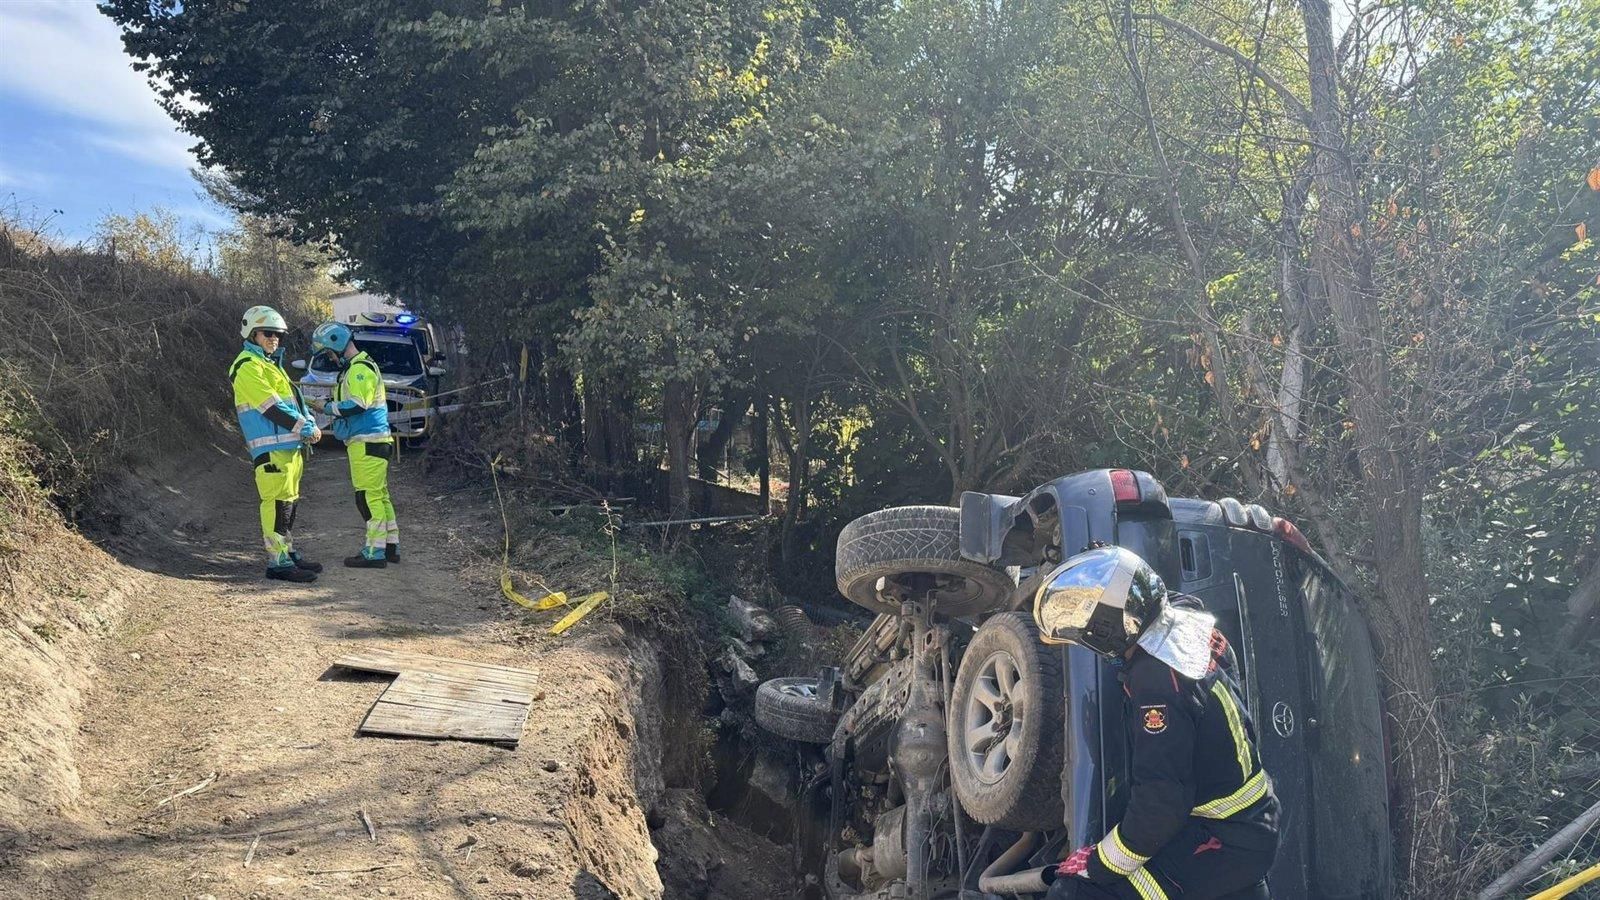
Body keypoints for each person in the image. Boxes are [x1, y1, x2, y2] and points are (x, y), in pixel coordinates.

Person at [1035, 546, 1279, 900]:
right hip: (1248, 826)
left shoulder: (1158, 683)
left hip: (1221, 841)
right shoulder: (1189, 621)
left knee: (1073, 892)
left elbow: (1160, 805)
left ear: (1107, 631)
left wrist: (1098, 863)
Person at [230, 305, 322, 583]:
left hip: (289, 447)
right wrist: (304, 426)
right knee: (276, 503)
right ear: (253, 334)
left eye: (278, 334)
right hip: (271, 448)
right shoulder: (247, 366)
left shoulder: (271, 365)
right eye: (268, 333)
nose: (274, 339)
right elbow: (270, 407)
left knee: (289, 503)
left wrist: (308, 421)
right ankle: (278, 562)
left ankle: (287, 553)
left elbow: (293, 402)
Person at [309, 321, 400, 568]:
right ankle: (390, 547)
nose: (329, 358)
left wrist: (325, 407)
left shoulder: (359, 370)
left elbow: (357, 405)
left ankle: (374, 552)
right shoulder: (359, 367)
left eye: (328, 352)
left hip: (367, 442)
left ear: (337, 344)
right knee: (379, 496)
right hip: (375, 441)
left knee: (367, 498)